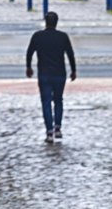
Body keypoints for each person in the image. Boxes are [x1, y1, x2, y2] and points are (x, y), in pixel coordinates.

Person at [26, 11, 76, 144]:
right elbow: (70, 54)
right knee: (58, 100)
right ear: (57, 22)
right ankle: (58, 127)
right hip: (60, 73)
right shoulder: (63, 37)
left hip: (44, 73)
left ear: (45, 21)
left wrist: (29, 67)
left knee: (46, 102)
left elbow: (29, 52)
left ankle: (49, 131)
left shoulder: (37, 36)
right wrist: (73, 70)